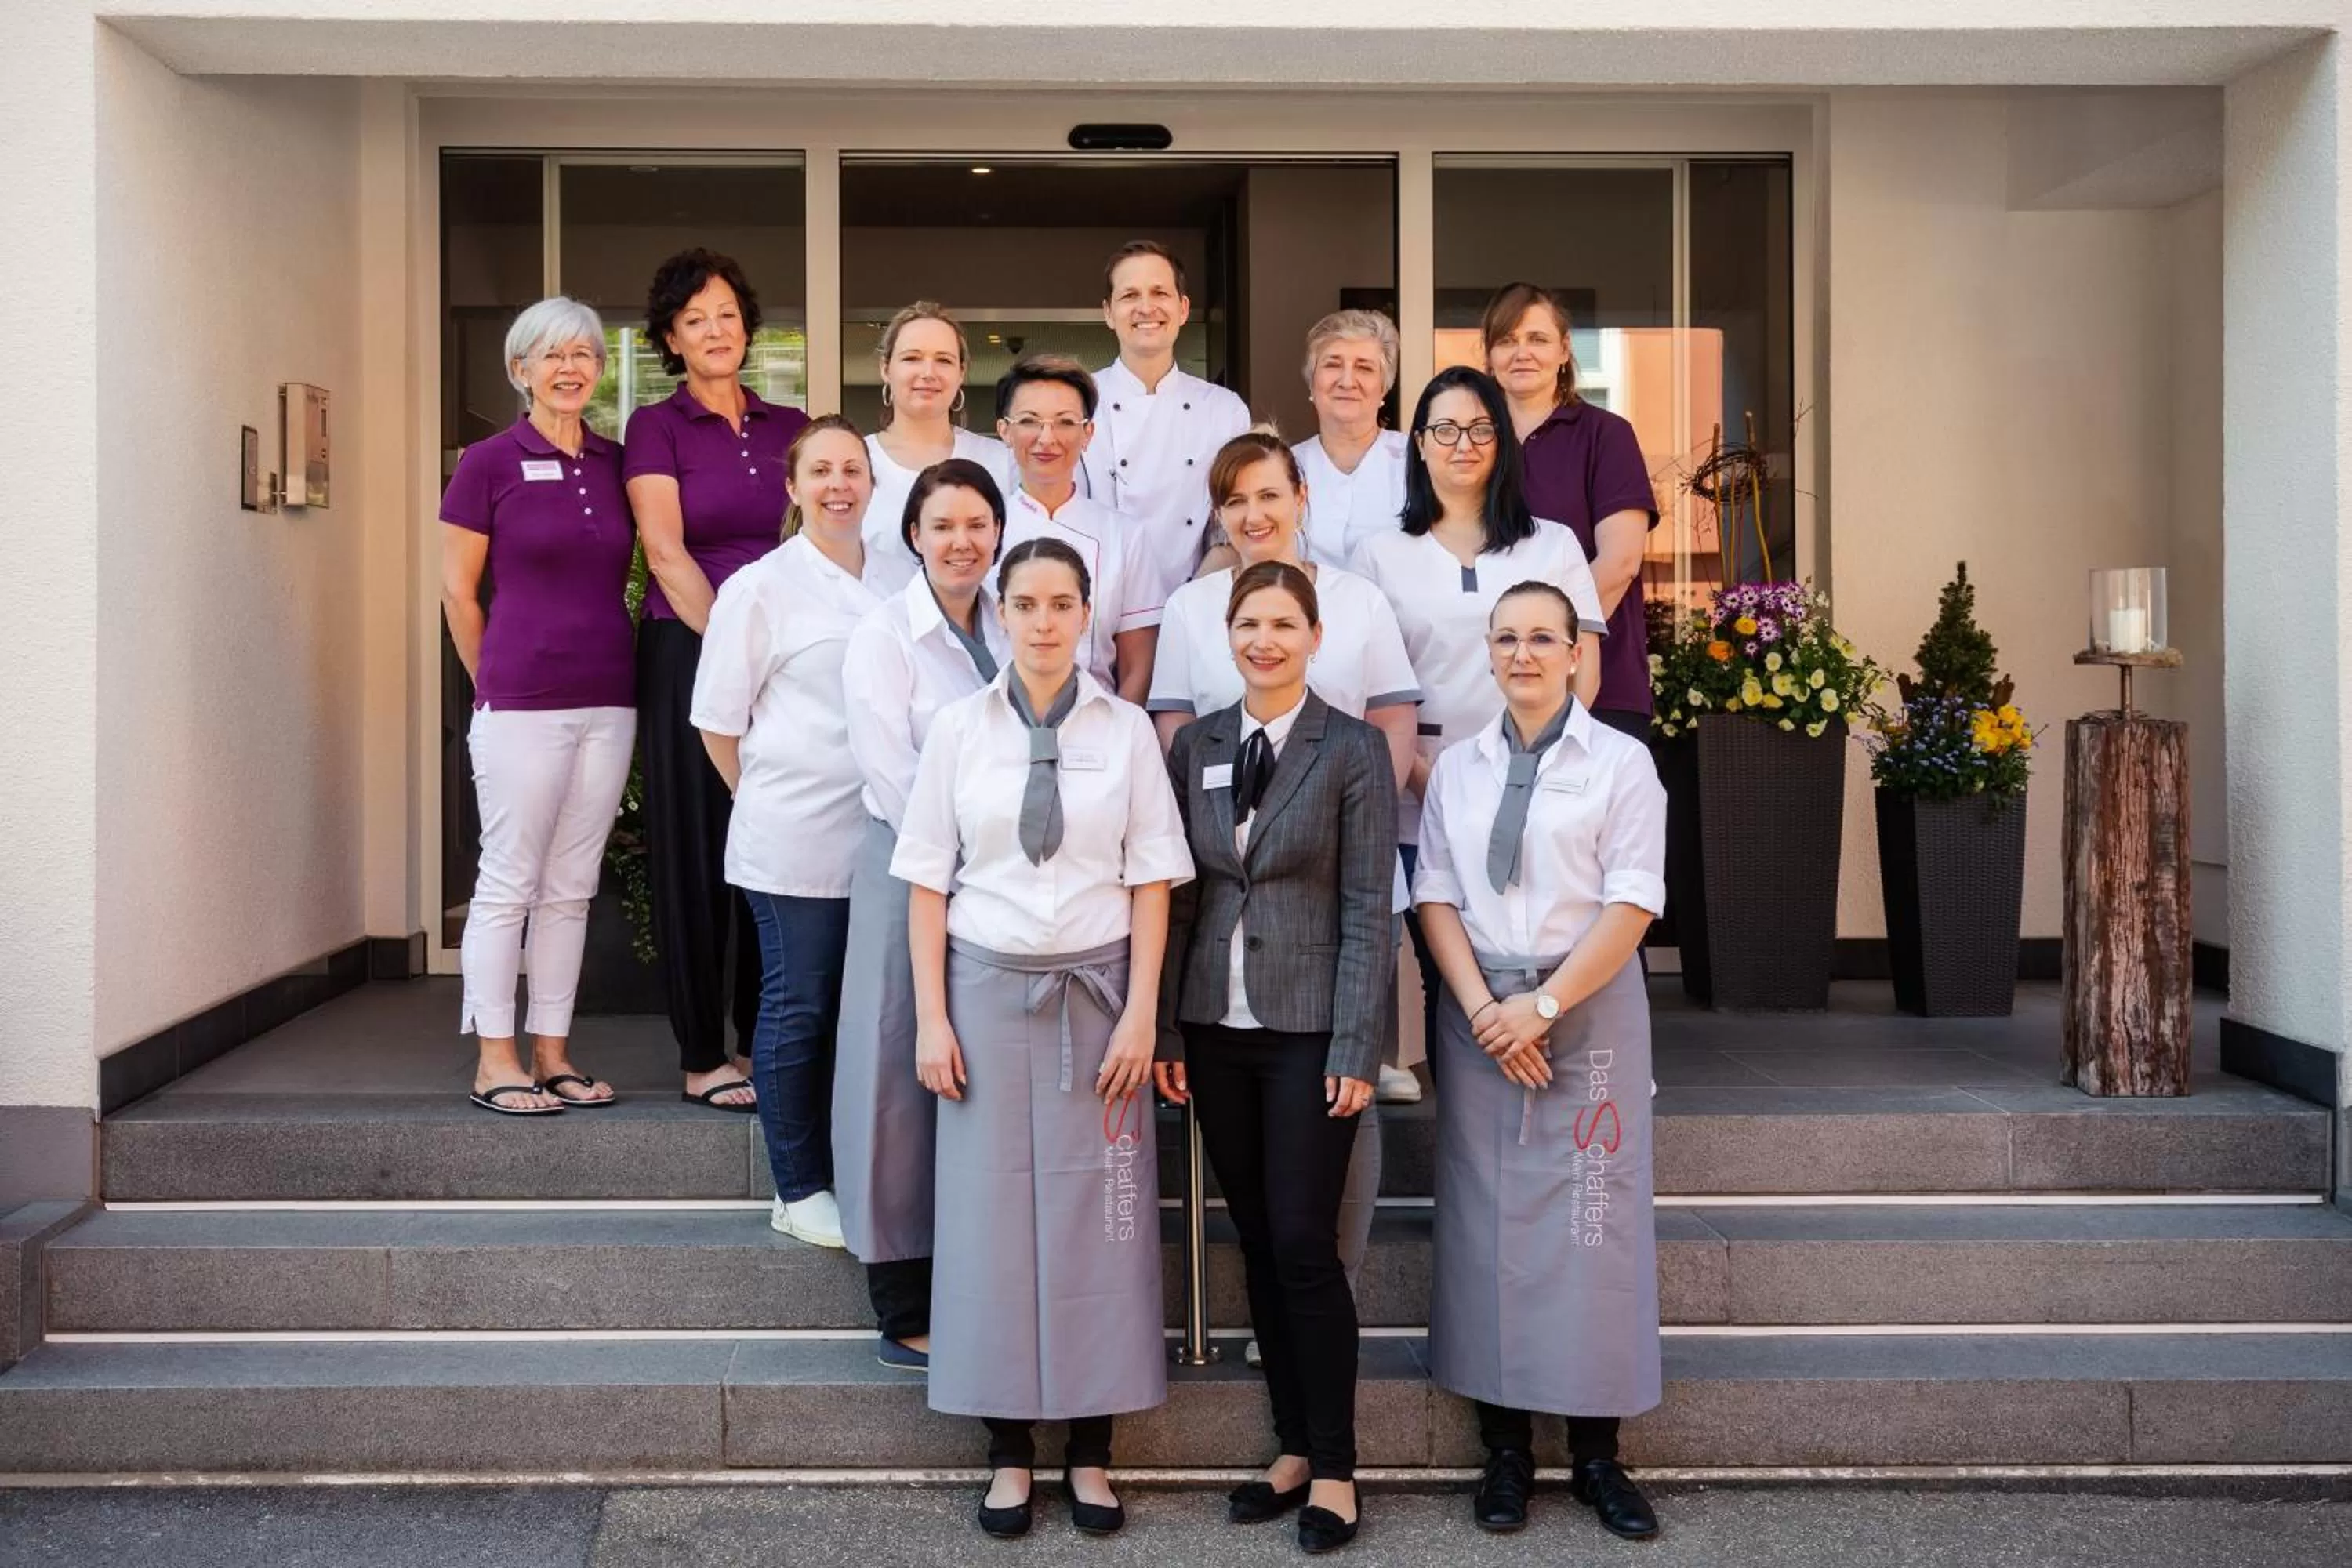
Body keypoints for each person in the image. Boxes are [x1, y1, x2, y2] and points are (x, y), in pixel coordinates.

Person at [895, 538, 1192, 1540]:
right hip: (982, 993)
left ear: (1088, 613)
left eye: (1063, 603)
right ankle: (1010, 1450)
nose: (1044, 622)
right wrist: (933, 1015)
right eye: (1025, 603)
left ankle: (1093, 1451)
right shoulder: (957, 729)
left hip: (1100, 996)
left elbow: (1152, 879)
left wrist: (1144, 1011)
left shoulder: (1127, 733)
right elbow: (928, 883)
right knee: (987, 1226)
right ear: (1000, 612)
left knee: (1098, 1221)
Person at [1412, 581, 1666, 1542]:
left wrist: (1546, 1005)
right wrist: (1484, 1007)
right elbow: (1433, 892)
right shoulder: (1460, 771)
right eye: (1506, 637)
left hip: (1588, 1011)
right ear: (1489, 651)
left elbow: (1633, 901)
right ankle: (1506, 1448)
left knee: (1593, 1225)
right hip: (1483, 1014)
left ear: (1575, 653)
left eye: (1542, 638)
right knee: (1488, 1228)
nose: (1523, 653)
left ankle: (1597, 1452)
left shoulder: (1622, 763)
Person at [1154, 561, 1395, 1555]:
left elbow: (1367, 909)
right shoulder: (1199, 743)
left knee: (1304, 1246)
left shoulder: (1352, 748)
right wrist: (1168, 1028)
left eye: (1283, 623)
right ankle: (1290, 1446)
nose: (1265, 639)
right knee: (1254, 1236)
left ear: (1315, 634)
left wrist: (1356, 1044)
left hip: (1307, 1035)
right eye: (1248, 623)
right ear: (1227, 632)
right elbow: (1172, 896)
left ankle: (1336, 1468)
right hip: (1215, 1026)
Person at [1150, 431, 1419, 1265]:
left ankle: (1328, 1276)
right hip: (1225, 885)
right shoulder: (1190, 606)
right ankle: (1292, 1295)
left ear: (1302, 496)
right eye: (1235, 501)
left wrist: (1354, 827)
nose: (1253, 514)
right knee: (1265, 1189)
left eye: (1269, 494)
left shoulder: (1358, 598)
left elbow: (1392, 722)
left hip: (1331, 882)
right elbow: (1176, 730)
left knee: (1345, 1098)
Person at [1350, 366, 1606, 1073]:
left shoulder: (1551, 545)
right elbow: (1367, 689)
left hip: (1538, 791)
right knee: (1444, 969)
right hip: (1417, 790)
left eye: (1480, 429)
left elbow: (1583, 667)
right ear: (1419, 445)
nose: (1462, 444)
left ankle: (1541, 1114)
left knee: (1533, 950)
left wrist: (1540, 768)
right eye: (1444, 430)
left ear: (1502, 442)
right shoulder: (1378, 553)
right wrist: (1433, 781)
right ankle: (1460, 1136)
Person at [689, 416, 889, 1250]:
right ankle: (797, 1184)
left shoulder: (900, 579)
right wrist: (766, 796)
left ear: (873, 486)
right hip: (793, 838)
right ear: (794, 486)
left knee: (861, 1014)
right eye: (822, 471)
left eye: (853, 469)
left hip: (881, 840)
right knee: (799, 1004)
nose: (839, 484)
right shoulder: (760, 587)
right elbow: (716, 722)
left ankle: (858, 1168)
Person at [626, 249, 811, 1114]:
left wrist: (780, 653)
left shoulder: (791, 426)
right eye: (695, 319)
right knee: (698, 850)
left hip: (788, 666)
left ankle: (764, 1034)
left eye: (728, 315)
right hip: (692, 652)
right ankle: (704, 1052)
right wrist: (742, 647)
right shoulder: (655, 427)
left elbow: (817, 536)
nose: (715, 331)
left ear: (748, 326)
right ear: (671, 336)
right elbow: (665, 552)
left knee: (775, 841)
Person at [441, 297, 637, 1116]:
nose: (569, 367)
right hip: (521, 699)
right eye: (550, 354)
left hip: (611, 697)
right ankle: (496, 1057)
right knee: (509, 879)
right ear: (520, 369)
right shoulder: (489, 461)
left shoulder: (614, 462)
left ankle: (553, 1051)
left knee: (572, 884)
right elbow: (457, 587)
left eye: (583, 354)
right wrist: (493, 681)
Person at [834, 457, 1010, 1369]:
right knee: (899, 1069)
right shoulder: (883, 635)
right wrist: (968, 860)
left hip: (1004, 887)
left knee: (978, 1071)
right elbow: (890, 769)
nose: (962, 541)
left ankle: (977, 1274)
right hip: (912, 869)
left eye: (979, 523)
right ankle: (900, 1292)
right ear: (912, 535)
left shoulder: (1017, 622)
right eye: (944, 525)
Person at [1484, 283, 1661, 737]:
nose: (1521, 353)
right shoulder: (1475, 441)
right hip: (1491, 688)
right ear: (1489, 356)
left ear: (1565, 350)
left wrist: (1543, 646)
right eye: (1507, 340)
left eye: (1537, 339)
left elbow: (1620, 562)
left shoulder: (1606, 435)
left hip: (1602, 688)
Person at [1083, 241, 1253, 608]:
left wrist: (1190, 606)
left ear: (1183, 308)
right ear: (1109, 313)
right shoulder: (1077, 404)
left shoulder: (1224, 410)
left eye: (1160, 292)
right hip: (1101, 605)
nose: (1146, 308)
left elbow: (1234, 522)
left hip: (1201, 601)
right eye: (1130, 295)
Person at [994, 354, 1161, 703]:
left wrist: (1115, 731)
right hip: (996, 729)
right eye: (1029, 421)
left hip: (1098, 729)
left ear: (1088, 434)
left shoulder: (1124, 536)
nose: (1046, 438)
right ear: (1005, 431)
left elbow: (1138, 665)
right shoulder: (983, 532)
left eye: (1065, 422)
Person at [858, 303, 1007, 593]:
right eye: (912, 358)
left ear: (961, 372)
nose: (928, 372)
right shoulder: (855, 465)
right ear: (885, 368)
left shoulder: (1000, 461)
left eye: (944, 360)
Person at [1294, 310, 1410, 573]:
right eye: (1333, 365)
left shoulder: (1418, 462)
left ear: (1384, 387)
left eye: (1364, 368)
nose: (1347, 381)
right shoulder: (1285, 467)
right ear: (1312, 383)